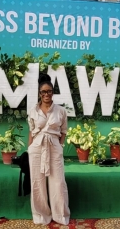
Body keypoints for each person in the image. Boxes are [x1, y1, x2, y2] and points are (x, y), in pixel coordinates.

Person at [27, 74, 70, 225]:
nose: (46, 94)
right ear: (39, 93)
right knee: (37, 183)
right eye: (43, 92)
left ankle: (60, 215)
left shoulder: (61, 111)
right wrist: (29, 148)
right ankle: (40, 215)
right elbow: (31, 131)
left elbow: (63, 131)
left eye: (49, 91)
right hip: (37, 148)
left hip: (54, 147)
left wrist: (60, 146)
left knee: (58, 183)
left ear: (53, 92)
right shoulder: (33, 111)